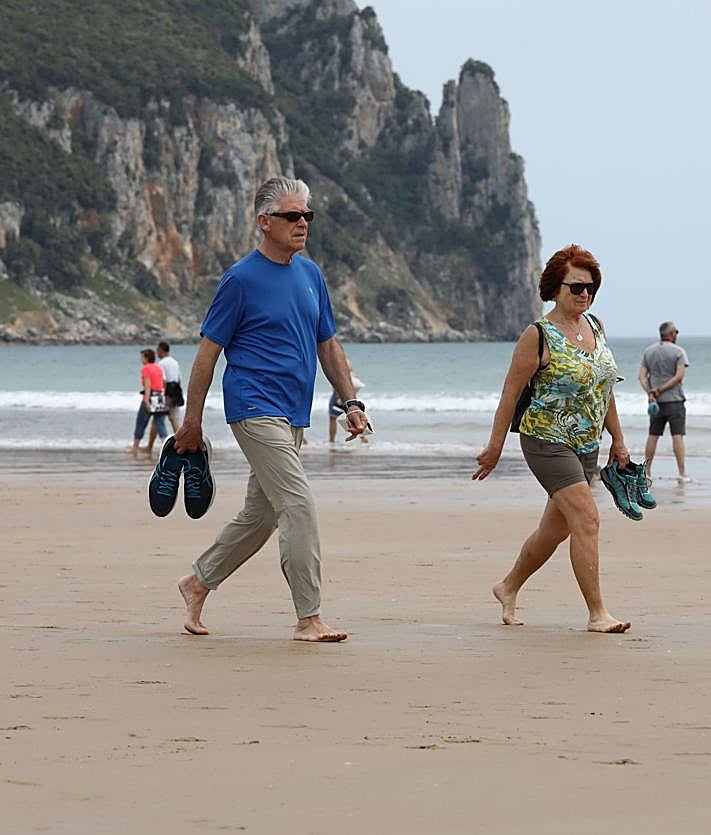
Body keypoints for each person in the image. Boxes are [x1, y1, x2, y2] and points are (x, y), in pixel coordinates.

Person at [174, 176, 369, 642]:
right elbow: (207, 353)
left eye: (307, 216)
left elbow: (328, 344)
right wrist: (192, 422)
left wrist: (352, 403)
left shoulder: (311, 275)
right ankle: (309, 617)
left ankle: (197, 582)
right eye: (291, 216)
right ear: (265, 222)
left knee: (260, 516)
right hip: (253, 406)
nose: (302, 223)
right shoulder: (240, 279)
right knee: (298, 504)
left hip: (293, 411)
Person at [472, 244, 631, 634]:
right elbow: (510, 394)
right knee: (587, 518)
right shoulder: (538, 335)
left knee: (555, 530)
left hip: (586, 444)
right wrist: (494, 448)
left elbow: (603, 390)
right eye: (576, 287)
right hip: (546, 439)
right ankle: (597, 614)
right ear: (555, 288)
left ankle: (507, 587)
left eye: (591, 287)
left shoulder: (596, 327)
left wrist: (619, 442)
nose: (584, 295)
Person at [638, 322, 690, 482]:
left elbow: (642, 376)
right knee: (677, 436)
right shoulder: (679, 352)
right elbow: (679, 376)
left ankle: (647, 472)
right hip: (674, 400)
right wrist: (660, 390)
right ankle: (682, 474)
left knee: (653, 435)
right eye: (676, 332)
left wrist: (651, 392)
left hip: (655, 402)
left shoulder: (649, 351)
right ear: (672, 334)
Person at [129, 349, 169, 456]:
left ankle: (135, 448)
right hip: (160, 397)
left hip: (150, 397)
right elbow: (162, 384)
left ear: (146, 358)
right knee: (160, 423)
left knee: (141, 422)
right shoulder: (158, 368)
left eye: (142, 357)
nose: (141, 359)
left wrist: (146, 400)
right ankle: (167, 447)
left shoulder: (146, 368)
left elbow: (147, 385)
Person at [144, 341, 183, 454]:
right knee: (174, 420)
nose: (156, 352)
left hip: (166, 392)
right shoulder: (175, 362)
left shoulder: (161, 363)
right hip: (176, 391)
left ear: (161, 350)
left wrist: (161, 395)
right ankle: (180, 443)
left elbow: (163, 380)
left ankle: (149, 447)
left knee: (157, 419)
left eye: (157, 350)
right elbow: (179, 379)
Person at [328, 359, 366, 443]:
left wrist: (338, 397)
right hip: (349, 394)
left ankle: (331, 441)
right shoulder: (345, 360)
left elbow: (338, 380)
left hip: (339, 394)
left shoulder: (339, 362)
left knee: (333, 417)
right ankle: (364, 439)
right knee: (355, 417)